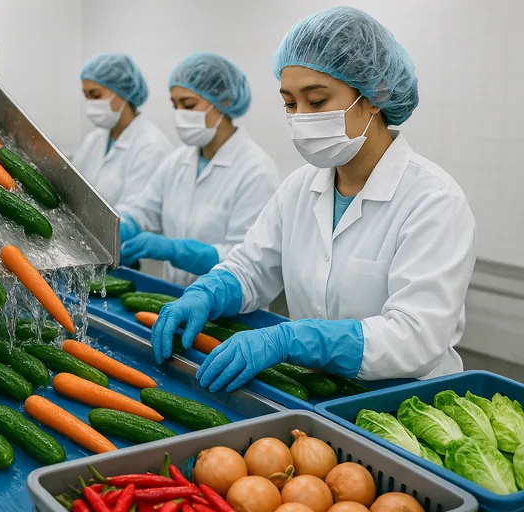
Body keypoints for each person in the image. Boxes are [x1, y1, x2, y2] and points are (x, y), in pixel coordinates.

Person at [151, 7, 476, 389]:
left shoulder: (433, 201)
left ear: (376, 96)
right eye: (290, 103)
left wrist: (292, 339)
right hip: (317, 395)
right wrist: (208, 292)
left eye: (317, 101)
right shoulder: (299, 188)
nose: (301, 117)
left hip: (406, 404)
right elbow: (253, 266)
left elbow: (416, 338)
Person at [117, 53, 280, 286]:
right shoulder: (178, 160)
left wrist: (177, 251)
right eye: (175, 106)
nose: (180, 114)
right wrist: (123, 224)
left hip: (229, 309)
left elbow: (248, 259)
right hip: (175, 295)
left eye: (189, 105)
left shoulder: (256, 171)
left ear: (224, 101)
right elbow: (145, 208)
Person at [72, 53, 172, 206]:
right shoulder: (95, 139)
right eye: (87, 96)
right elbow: (73, 185)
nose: (90, 103)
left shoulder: (152, 147)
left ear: (123, 92)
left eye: (96, 95)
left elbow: (138, 212)